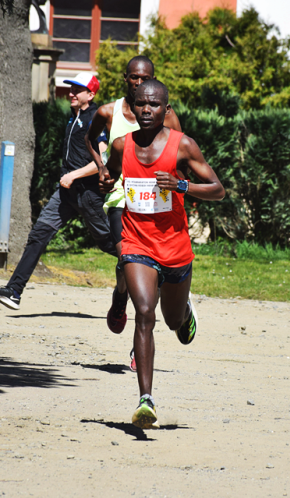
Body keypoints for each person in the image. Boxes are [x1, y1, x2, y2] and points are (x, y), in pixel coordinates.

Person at [101, 80, 225, 429]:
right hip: (137, 242)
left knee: (171, 322)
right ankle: (146, 399)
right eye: (140, 104)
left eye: (154, 105)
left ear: (165, 109)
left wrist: (182, 185)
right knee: (144, 312)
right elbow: (111, 175)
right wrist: (106, 180)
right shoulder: (123, 145)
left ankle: (185, 311)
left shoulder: (182, 145)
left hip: (174, 248)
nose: (146, 110)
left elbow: (218, 189)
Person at [0, 72, 113, 310]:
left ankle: (157, 276)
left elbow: (104, 159)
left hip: (88, 195)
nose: (71, 93)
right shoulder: (72, 118)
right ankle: (13, 291)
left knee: (110, 244)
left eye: (77, 89)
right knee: (38, 235)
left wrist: (74, 175)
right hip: (65, 194)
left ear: (91, 94)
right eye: (70, 88)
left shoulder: (96, 118)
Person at [85, 57, 182, 356]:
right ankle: (122, 297)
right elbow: (90, 139)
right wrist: (102, 169)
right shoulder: (108, 112)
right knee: (127, 258)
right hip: (120, 198)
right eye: (134, 78)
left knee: (150, 267)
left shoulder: (166, 114)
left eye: (146, 78)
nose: (140, 83)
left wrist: (178, 187)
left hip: (155, 201)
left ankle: (137, 337)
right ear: (125, 78)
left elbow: (180, 156)